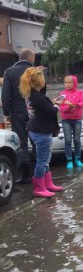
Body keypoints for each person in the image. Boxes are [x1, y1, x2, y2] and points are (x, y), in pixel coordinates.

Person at [19, 67, 64, 197]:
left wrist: (51, 103)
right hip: (41, 131)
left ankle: (47, 184)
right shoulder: (38, 98)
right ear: (39, 81)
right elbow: (51, 111)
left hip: (36, 129)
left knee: (46, 159)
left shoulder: (33, 93)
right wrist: (57, 105)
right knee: (42, 160)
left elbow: (43, 95)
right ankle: (39, 188)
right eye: (43, 77)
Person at [2, 48, 42, 183]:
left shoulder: (10, 71)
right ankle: (39, 172)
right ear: (31, 59)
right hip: (36, 111)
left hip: (17, 113)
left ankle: (26, 175)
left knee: (22, 143)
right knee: (37, 142)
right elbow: (43, 91)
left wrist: (7, 113)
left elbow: (5, 94)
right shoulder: (36, 72)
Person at [58, 75, 83, 170]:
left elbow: (82, 103)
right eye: (66, 82)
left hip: (77, 119)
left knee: (77, 140)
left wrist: (73, 105)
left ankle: (77, 158)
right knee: (68, 140)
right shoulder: (62, 94)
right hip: (66, 120)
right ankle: (69, 159)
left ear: (74, 83)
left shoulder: (80, 93)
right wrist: (68, 107)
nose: (67, 84)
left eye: (70, 82)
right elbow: (61, 108)